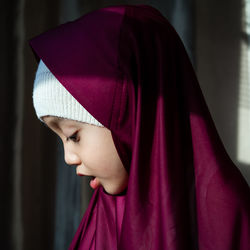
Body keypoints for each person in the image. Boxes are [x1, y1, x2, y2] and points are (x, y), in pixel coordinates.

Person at [29, 4, 250, 250]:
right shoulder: (104, 212)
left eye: (73, 136)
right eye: (61, 138)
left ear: (130, 114)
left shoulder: (226, 212)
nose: (68, 158)